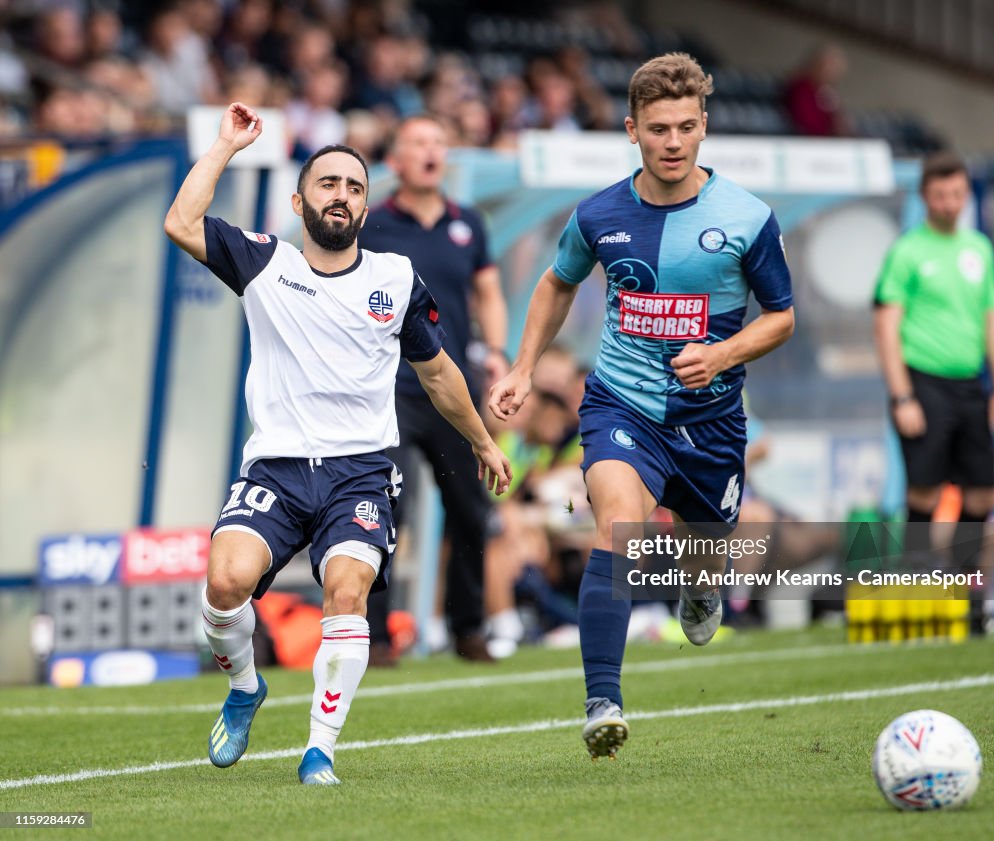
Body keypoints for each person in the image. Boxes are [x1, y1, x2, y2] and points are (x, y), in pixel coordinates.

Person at [163, 102, 511, 785]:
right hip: (278, 468)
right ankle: (243, 689)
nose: (342, 196)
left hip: (359, 473)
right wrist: (226, 145)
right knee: (225, 582)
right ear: (300, 201)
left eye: (354, 187)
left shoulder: (394, 279)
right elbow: (181, 223)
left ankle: (320, 748)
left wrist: (481, 441)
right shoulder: (265, 263)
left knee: (346, 590)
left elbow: (438, 372)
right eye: (328, 184)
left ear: (366, 204)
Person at [488, 53, 794, 760]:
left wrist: (721, 355)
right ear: (632, 129)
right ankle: (603, 700)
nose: (674, 141)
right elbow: (556, 283)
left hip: (712, 422)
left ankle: (701, 590)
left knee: (705, 553)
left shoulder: (747, 218)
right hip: (621, 405)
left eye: (687, 127)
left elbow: (781, 317)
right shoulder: (599, 214)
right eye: (659, 128)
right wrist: (525, 366)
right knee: (619, 530)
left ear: (704, 126)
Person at [359, 114, 509, 663]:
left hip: (451, 393)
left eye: (438, 142)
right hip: (389, 391)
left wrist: (495, 351)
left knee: (470, 509)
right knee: (379, 508)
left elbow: (488, 293)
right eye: (418, 142)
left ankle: (469, 631)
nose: (430, 151)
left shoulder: (468, 223)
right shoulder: (371, 224)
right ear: (395, 161)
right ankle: (374, 638)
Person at [874, 150, 994, 628]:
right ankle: (916, 596)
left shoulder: (977, 247)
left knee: (981, 498)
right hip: (923, 382)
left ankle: (968, 599)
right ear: (925, 196)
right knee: (924, 492)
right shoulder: (908, 251)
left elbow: (993, 318)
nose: (949, 203)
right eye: (940, 195)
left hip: (971, 384)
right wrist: (902, 396)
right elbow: (887, 325)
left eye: (956, 194)